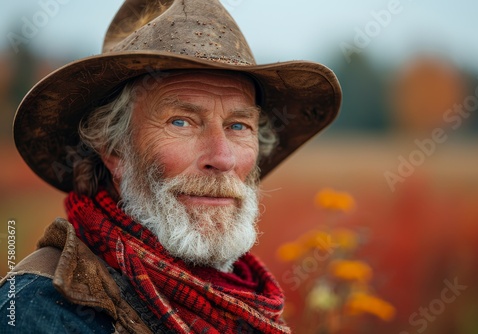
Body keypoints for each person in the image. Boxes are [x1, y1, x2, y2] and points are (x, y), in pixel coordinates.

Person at [0, 0, 341, 332]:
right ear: (113, 149)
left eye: (238, 125)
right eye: (182, 122)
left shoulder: (246, 300)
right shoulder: (40, 311)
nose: (222, 158)